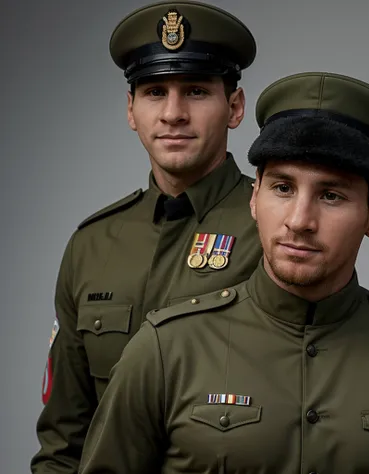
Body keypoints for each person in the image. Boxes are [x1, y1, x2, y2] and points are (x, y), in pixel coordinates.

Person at [78, 71, 369, 474]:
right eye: (283, 188)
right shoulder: (166, 351)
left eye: (331, 195)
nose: (300, 221)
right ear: (254, 198)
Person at [31, 2, 262, 473]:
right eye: (155, 92)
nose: (173, 114)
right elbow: (63, 441)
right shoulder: (93, 244)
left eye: (196, 91)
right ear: (131, 110)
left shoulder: (276, 231)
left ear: (234, 107)